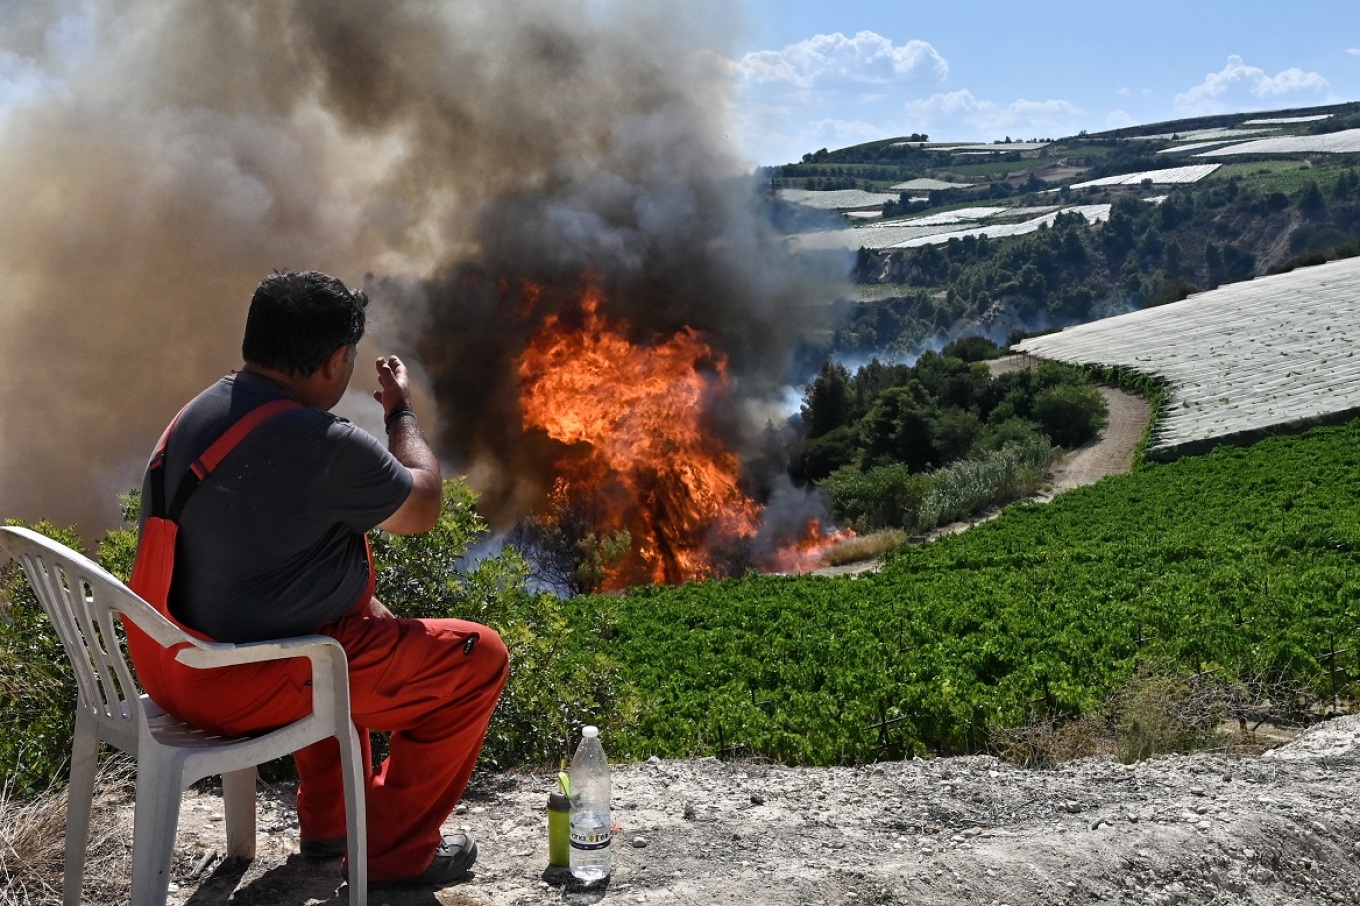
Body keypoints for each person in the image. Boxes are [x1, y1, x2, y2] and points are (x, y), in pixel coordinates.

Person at [129, 270, 508, 889]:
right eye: (349, 358)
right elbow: (422, 506)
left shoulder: (197, 412)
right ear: (334, 361)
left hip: (167, 664)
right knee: (477, 658)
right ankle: (392, 854)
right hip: (235, 682)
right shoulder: (324, 443)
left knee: (339, 627)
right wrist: (401, 413)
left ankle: (334, 826)